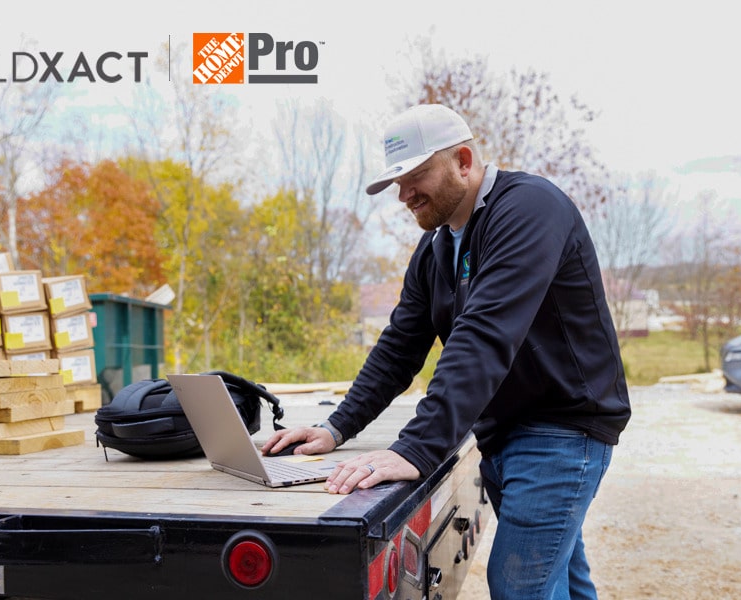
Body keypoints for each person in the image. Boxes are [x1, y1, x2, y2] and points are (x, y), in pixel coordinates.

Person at [263, 103, 631, 599]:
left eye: (416, 176)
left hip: (561, 430)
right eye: (397, 182)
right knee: (559, 576)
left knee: (520, 586)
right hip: (504, 434)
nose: (403, 194)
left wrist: (415, 448)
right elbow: (399, 347)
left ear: (462, 160)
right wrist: (336, 426)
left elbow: (484, 335)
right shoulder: (437, 247)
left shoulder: (529, 209)